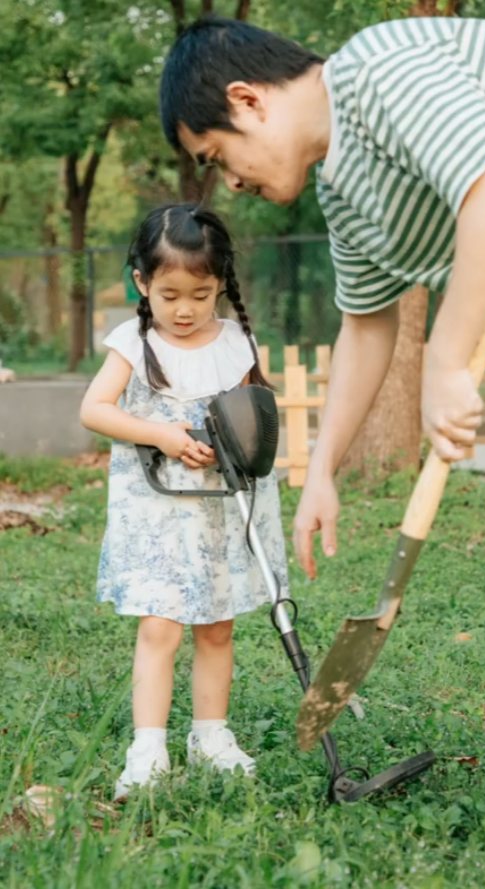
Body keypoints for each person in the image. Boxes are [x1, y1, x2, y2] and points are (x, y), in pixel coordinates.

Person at [159, 16, 485, 889]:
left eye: (216, 153)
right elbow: (367, 325)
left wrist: (449, 356)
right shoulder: (346, 188)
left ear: (248, 101)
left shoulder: (379, 70)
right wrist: (320, 471)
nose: (227, 182)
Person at [80, 203, 289, 799]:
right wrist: (165, 434)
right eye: (170, 294)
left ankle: (210, 736)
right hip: (161, 513)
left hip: (222, 512)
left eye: (200, 293)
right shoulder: (133, 341)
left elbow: (257, 420)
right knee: (160, 628)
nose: (186, 309)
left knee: (217, 628)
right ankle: (147, 748)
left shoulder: (236, 343)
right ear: (143, 283)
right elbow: (95, 410)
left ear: (220, 283)